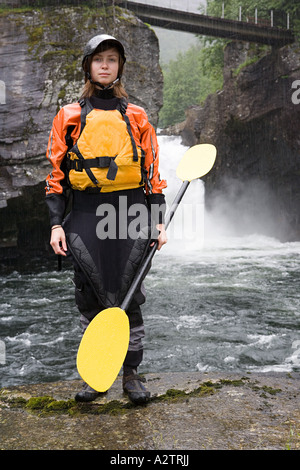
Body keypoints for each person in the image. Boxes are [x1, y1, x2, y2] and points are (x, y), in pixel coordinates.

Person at [45, 34, 167, 405]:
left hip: (130, 213)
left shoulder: (137, 116)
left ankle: (131, 376)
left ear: (119, 67)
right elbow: (55, 177)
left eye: (112, 59)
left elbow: (152, 173)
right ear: (88, 65)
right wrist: (54, 224)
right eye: (99, 59)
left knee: (130, 296)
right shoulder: (68, 116)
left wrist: (158, 222)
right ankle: (97, 376)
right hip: (83, 213)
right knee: (90, 296)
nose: (105, 65)